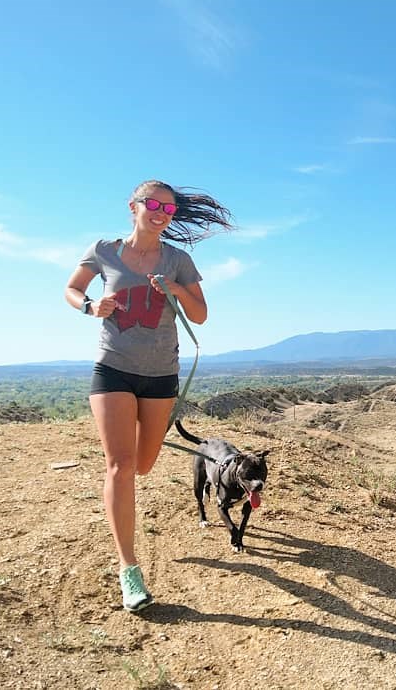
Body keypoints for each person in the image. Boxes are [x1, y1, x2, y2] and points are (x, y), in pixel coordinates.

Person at [64, 180, 233, 611]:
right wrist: (90, 307)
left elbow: (201, 314)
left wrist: (176, 289)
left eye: (169, 209)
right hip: (113, 367)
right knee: (120, 467)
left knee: (142, 465)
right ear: (133, 206)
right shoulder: (104, 250)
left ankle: (129, 458)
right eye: (153, 204)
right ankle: (129, 569)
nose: (160, 213)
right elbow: (72, 289)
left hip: (160, 375)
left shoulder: (178, 260)